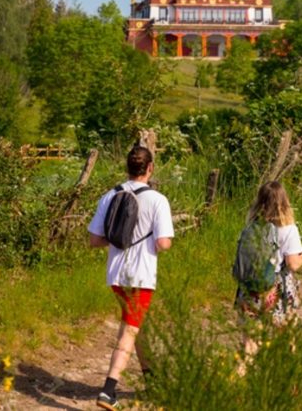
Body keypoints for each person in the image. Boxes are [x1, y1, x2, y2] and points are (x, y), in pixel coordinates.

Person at [87, 145, 174, 410]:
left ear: (127, 167)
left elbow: (94, 240)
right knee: (129, 329)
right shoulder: (158, 200)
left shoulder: (110, 195)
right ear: (150, 168)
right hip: (141, 276)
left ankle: (153, 382)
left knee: (137, 324)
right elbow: (164, 243)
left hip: (116, 274)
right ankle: (108, 390)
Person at [234, 181, 302, 327]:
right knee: (285, 334)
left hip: (249, 286)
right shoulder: (288, 229)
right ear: (284, 202)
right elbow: (292, 264)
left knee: (251, 339)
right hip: (276, 288)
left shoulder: (251, 226)